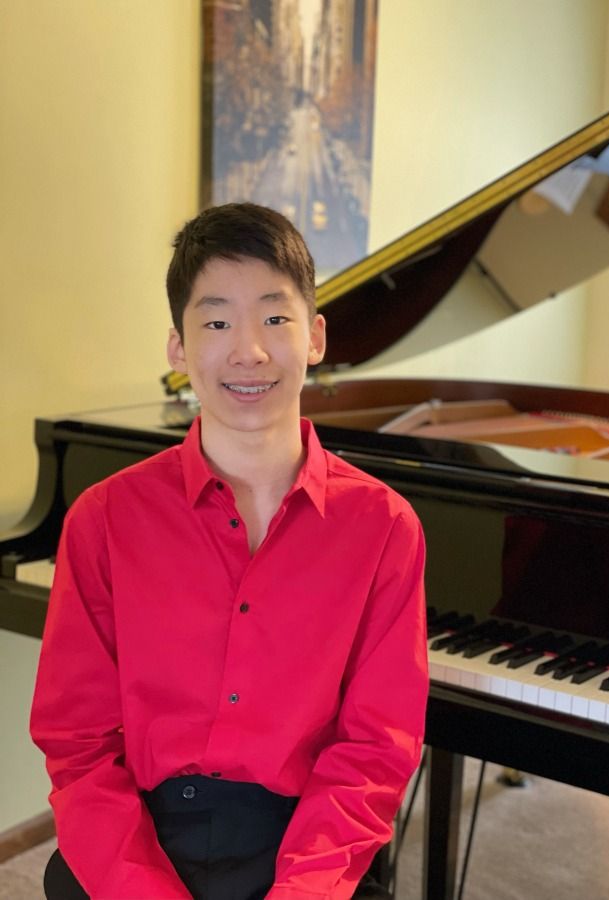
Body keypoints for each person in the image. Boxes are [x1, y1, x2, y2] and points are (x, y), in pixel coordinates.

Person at [30, 202, 429, 899]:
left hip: (302, 843)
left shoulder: (384, 526)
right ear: (178, 348)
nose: (249, 351)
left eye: (275, 318)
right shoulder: (104, 518)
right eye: (216, 323)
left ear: (315, 337)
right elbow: (77, 742)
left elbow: (374, 751)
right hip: (137, 839)